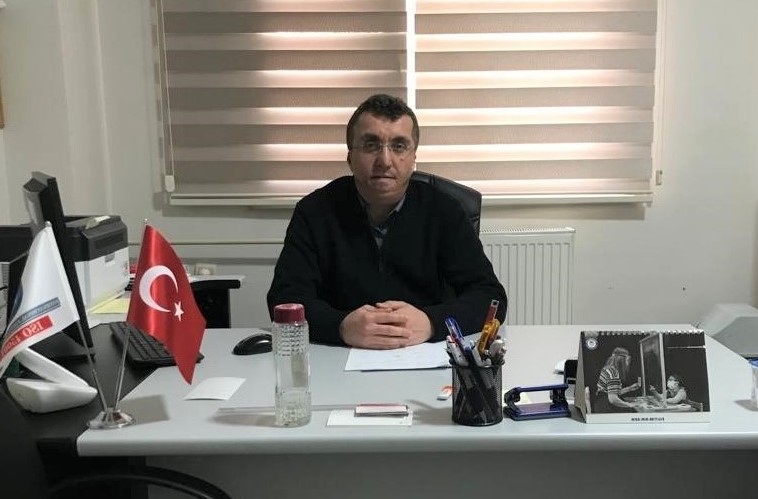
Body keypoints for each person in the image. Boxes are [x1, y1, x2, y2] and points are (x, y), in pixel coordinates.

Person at [267, 94, 507, 349]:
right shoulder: (314, 211)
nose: (384, 161)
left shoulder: (445, 210)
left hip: (424, 354)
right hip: (339, 355)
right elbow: (284, 300)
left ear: (414, 158)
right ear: (350, 157)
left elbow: (490, 298)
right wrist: (340, 326)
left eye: (399, 146)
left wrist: (431, 322)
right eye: (371, 145)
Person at [594, 347, 642, 412]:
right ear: (621, 360)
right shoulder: (613, 373)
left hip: (600, 404)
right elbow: (613, 399)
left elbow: (612, 392)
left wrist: (629, 388)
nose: (628, 363)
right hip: (605, 407)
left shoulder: (608, 368)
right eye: (627, 360)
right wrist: (629, 405)